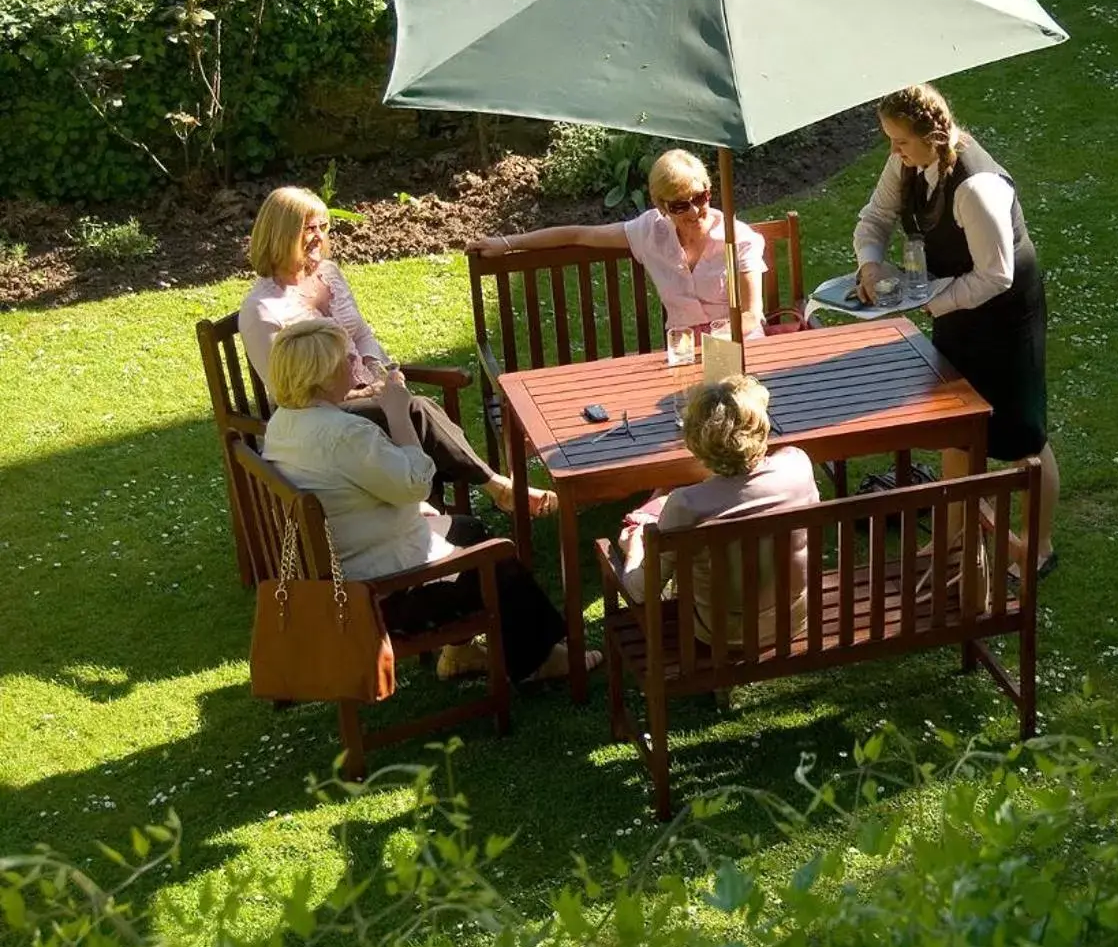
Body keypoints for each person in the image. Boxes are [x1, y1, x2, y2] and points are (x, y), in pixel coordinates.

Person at [260, 319, 583, 684]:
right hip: (377, 593)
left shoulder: (284, 424)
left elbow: (349, 487)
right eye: (345, 361)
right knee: (499, 558)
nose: (355, 366)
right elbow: (415, 482)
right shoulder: (345, 433)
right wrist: (398, 413)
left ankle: (460, 654)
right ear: (319, 375)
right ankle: (539, 661)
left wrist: (411, 509)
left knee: (468, 528)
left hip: (340, 569)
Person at [238, 185, 554, 518]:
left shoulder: (328, 275)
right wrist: (369, 392)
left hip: (365, 390)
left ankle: (432, 518)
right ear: (281, 234)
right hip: (323, 416)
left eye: (323, 227)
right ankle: (492, 489)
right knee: (416, 412)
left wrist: (379, 370)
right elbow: (287, 392)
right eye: (308, 229)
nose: (319, 237)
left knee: (410, 412)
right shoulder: (262, 310)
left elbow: (360, 334)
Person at [852, 84, 1058, 575]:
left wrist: (929, 301)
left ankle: (1038, 546)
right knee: (957, 426)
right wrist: (870, 266)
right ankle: (955, 537)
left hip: (1006, 316)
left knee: (1022, 437)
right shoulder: (906, 162)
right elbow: (875, 218)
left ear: (932, 136)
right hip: (953, 306)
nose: (893, 150)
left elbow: (996, 275)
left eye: (899, 141)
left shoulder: (976, 187)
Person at [474, 149, 767, 341]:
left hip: (739, 347)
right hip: (683, 354)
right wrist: (506, 243)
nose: (693, 212)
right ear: (661, 205)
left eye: (700, 198)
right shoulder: (649, 232)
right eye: (680, 206)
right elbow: (579, 235)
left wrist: (714, 347)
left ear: (709, 191)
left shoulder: (738, 239)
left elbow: (751, 316)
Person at [614, 375, 818, 648]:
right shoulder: (797, 464)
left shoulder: (686, 505)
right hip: (793, 620)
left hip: (722, 634)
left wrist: (634, 549)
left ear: (695, 442)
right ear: (761, 427)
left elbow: (640, 592)